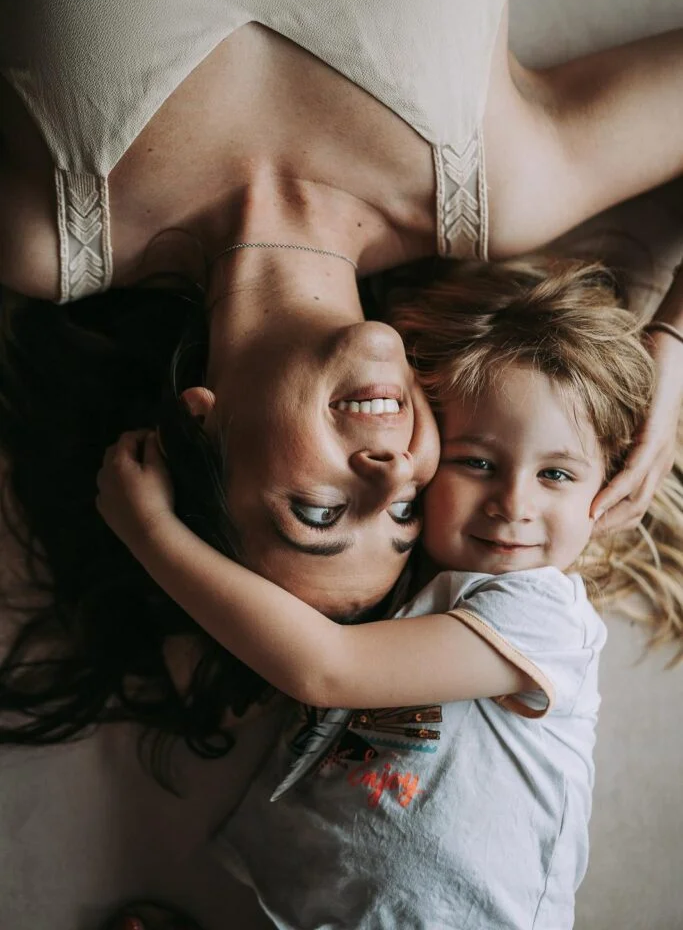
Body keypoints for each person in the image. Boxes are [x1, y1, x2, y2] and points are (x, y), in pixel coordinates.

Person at [1, 0, 682, 757]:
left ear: (197, 427)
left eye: (319, 511)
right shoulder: (501, 188)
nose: (392, 470)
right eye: (406, 508)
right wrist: (669, 349)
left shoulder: (49, 233)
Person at [96, 258, 683, 930]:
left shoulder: (542, 616)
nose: (513, 504)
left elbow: (326, 669)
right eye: (477, 463)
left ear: (609, 488)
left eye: (556, 475)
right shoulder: (405, 584)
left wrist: (151, 533)